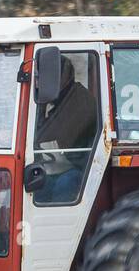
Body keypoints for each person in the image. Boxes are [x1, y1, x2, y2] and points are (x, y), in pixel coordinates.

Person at [35, 56, 98, 203]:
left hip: (77, 167)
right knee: (34, 187)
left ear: (61, 77)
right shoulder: (51, 100)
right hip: (52, 167)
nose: (37, 84)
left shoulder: (79, 100)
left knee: (64, 185)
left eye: (41, 78)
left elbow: (48, 133)